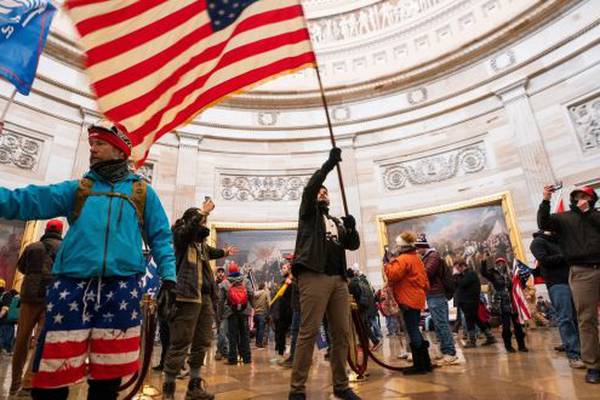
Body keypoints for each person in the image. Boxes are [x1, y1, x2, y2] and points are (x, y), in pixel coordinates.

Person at [0, 120, 176, 400]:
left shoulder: (142, 192)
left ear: (120, 151)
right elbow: (24, 201)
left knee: (107, 378)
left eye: (100, 144)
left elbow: (161, 237)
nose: (92, 149)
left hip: (120, 289)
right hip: (72, 286)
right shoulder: (78, 189)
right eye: (91, 143)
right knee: (52, 375)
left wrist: (169, 276)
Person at [289, 147, 361, 400]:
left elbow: (352, 245)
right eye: (320, 191)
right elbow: (310, 188)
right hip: (314, 275)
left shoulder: (337, 221)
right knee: (308, 332)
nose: (322, 193)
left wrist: (351, 229)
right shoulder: (308, 215)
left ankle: (341, 385)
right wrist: (329, 165)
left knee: (341, 333)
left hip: (338, 279)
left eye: (325, 192)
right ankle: (297, 388)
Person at [162, 202, 237, 400]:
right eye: (200, 220)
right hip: (186, 296)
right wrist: (203, 212)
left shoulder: (200, 244)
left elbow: (211, 252)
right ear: (189, 221)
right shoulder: (180, 236)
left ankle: (193, 387)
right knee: (180, 342)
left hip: (204, 298)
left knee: (202, 342)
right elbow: (187, 232)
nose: (203, 223)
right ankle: (168, 390)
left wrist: (224, 253)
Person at [538, 185, 600, 383]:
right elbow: (544, 222)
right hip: (582, 271)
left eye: (584, 196)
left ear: (592, 199)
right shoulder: (564, 218)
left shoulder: (596, 215)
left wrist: (588, 212)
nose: (580, 199)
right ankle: (593, 365)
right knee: (586, 318)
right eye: (577, 197)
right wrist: (546, 199)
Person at [10, 220, 63, 395]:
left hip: (29, 296)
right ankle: (28, 383)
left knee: (22, 340)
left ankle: (14, 383)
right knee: (41, 341)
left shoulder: (32, 247)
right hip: (51, 297)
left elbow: (21, 268)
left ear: (46, 230)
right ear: (61, 231)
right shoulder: (64, 248)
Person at [530, 230, 584, 368]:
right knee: (565, 318)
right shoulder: (538, 242)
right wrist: (567, 256)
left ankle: (584, 350)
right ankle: (574, 354)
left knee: (578, 317)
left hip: (574, 280)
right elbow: (545, 261)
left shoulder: (560, 241)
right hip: (557, 283)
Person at [384, 231, 432, 375]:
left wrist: (387, 262)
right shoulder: (416, 257)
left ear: (401, 246)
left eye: (397, 245)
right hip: (415, 298)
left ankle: (420, 365)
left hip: (408, 299)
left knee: (412, 330)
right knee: (415, 329)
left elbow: (392, 274)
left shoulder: (404, 259)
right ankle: (425, 363)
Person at [415, 234, 458, 365]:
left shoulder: (433, 256)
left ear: (423, 247)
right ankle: (444, 350)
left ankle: (450, 352)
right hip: (432, 294)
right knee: (438, 324)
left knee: (442, 323)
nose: (416, 251)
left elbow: (427, 272)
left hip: (437, 293)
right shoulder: (427, 257)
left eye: (418, 248)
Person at [481, 257, 528, 353]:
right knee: (506, 327)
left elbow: (521, 284)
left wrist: (522, 278)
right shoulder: (493, 275)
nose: (500, 265)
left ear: (505, 263)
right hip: (502, 304)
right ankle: (508, 346)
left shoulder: (512, 273)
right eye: (498, 263)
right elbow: (484, 273)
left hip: (513, 303)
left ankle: (522, 346)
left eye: (502, 262)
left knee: (518, 327)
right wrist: (483, 262)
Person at [453, 260, 496, 348]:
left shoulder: (470, 274)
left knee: (470, 321)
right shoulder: (464, 275)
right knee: (477, 319)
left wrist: (456, 275)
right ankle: (490, 336)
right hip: (466, 301)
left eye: (458, 268)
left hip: (470, 301)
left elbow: (461, 284)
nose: (457, 270)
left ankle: (472, 340)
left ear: (463, 266)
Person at [219, 262, 254, 365]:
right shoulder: (246, 280)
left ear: (229, 271)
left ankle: (232, 359)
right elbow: (251, 294)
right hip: (244, 311)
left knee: (232, 336)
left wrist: (220, 314)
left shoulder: (225, 283)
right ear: (238, 270)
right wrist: (252, 306)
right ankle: (247, 358)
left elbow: (220, 300)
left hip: (231, 312)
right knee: (245, 335)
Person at [347, 269, 381, 350]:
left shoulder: (351, 284)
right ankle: (366, 343)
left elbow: (352, 296)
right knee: (364, 324)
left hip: (360, 306)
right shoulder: (359, 280)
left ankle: (374, 341)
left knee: (362, 325)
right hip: (365, 305)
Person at [274, 262, 293, 358]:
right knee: (281, 332)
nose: (282, 269)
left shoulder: (292, 281)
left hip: (290, 311)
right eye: (282, 268)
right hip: (283, 311)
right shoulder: (283, 281)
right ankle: (281, 351)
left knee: (294, 332)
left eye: (284, 268)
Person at [215, 267, 229, 361]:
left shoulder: (226, 283)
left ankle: (221, 351)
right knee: (220, 331)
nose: (220, 273)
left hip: (224, 311)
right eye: (219, 272)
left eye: (222, 272)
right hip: (215, 310)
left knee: (222, 331)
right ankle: (222, 351)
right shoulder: (214, 284)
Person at [0, 288, 19, 354]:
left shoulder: (6, 295)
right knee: (8, 336)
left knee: (5, 336)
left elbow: (5, 308)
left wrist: (0, 316)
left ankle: (5, 349)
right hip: (10, 321)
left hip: (6, 321)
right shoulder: (14, 298)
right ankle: (7, 350)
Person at [253, 282, 270, 348]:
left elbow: (253, 303)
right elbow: (269, 303)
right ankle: (260, 343)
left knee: (257, 329)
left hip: (256, 313)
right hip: (262, 313)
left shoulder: (255, 294)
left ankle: (257, 342)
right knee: (261, 329)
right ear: (264, 287)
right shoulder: (265, 293)